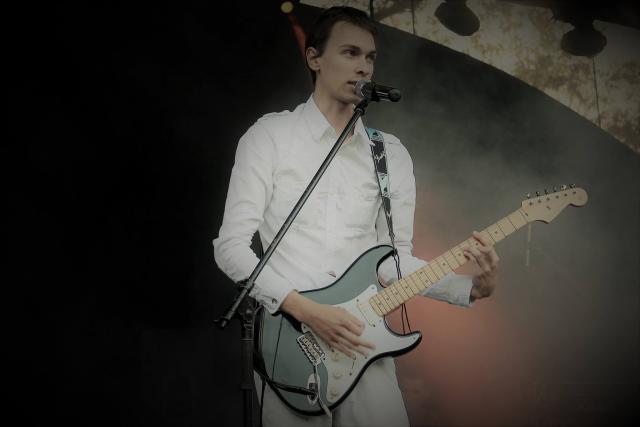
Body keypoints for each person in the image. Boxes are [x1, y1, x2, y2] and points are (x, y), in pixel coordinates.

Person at [213, 6, 499, 427]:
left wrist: (469, 287)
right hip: (291, 343)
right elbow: (231, 247)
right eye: (350, 53)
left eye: (370, 57)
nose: (363, 67)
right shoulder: (270, 137)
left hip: (365, 340)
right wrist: (306, 310)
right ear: (314, 58)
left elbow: (394, 265)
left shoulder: (390, 154)